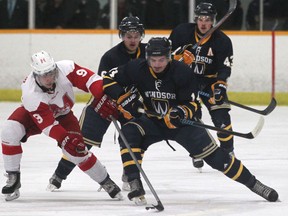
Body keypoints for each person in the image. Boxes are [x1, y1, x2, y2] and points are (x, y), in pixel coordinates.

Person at [102, 36, 279, 205]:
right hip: (152, 121)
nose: (157, 64)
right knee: (129, 132)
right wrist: (122, 97)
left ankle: (255, 184)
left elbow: (193, 104)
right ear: (147, 57)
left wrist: (180, 112)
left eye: (161, 60)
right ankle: (134, 182)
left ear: (169, 57)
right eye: (153, 60)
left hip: (180, 125)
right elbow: (106, 77)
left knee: (217, 158)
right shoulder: (136, 67)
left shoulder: (182, 72)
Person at [1, 50, 123, 201]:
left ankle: (106, 181)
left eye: (51, 72)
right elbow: (48, 126)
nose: (50, 78)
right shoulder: (30, 93)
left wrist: (104, 95)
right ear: (35, 75)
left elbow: (92, 80)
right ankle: (13, 176)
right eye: (44, 75)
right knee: (9, 131)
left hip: (64, 115)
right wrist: (64, 138)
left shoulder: (66, 68)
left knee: (77, 149)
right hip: (32, 116)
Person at [47, 16, 146, 192]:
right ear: (121, 35)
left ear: (141, 35)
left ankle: (130, 176)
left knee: (135, 139)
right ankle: (59, 175)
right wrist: (114, 101)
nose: (132, 39)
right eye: (128, 35)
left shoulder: (148, 53)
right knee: (80, 141)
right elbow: (101, 86)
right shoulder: (110, 57)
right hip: (104, 103)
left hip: (131, 105)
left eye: (136, 35)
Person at [169, 2, 234, 169]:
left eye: (208, 19)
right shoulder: (182, 32)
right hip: (186, 80)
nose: (204, 23)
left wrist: (220, 86)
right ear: (195, 19)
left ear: (213, 20)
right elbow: (165, 56)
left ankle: (227, 151)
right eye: (200, 19)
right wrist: (177, 58)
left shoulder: (223, 41)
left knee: (221, 114)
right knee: (190, 117)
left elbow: (224, 67)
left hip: (209, 82)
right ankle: (197, 151)